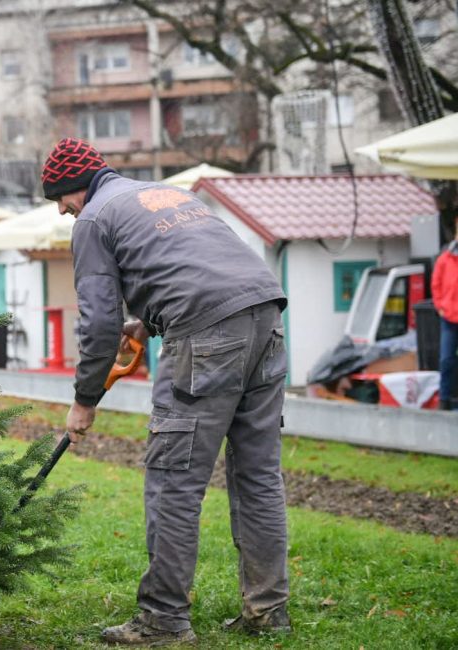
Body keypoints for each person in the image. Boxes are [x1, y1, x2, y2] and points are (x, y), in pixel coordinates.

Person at [42, 137, 291, 645]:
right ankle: (268, 611)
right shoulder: (167, 194)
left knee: (173, 477)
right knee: (259, 474)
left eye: (60, 199)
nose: (63, 212)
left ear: (76, 188)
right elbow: (196, 271)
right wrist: (148, 321)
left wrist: (84, 401)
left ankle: (163, 619)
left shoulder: (94, 219)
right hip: (265, 314)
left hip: (206, 334)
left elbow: (98, 323)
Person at [432, 227, 458, 411]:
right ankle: (444, 399)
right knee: (446, 359)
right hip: (449, 318)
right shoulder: (444, 260)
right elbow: (436, 284)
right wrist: (440, 306)